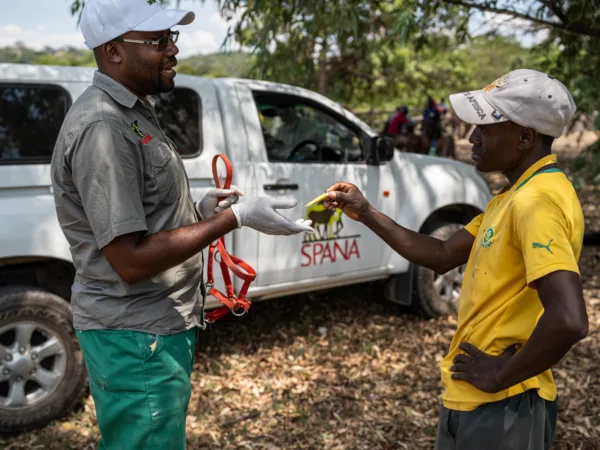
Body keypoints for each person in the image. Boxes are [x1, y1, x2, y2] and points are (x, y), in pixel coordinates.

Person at [50, 1, 313, 448]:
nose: (173, 50)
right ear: (113, 51)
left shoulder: (132, 112)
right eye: (158, 41)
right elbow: (130, 260)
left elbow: (141, 217)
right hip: (136, 335)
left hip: (152, 326)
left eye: (173, 37)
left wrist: (197, 211)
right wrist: (235, 218)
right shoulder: (104, 126)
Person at [324, 69, 588, 450]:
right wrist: (365, 212)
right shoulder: (511, 199)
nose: (471, 137)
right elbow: (441, 254)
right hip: (476, 400)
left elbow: (568, 319)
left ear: (525, 137)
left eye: (485, 128)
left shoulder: (537, 202)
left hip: (504, 408)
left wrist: (500, 376)